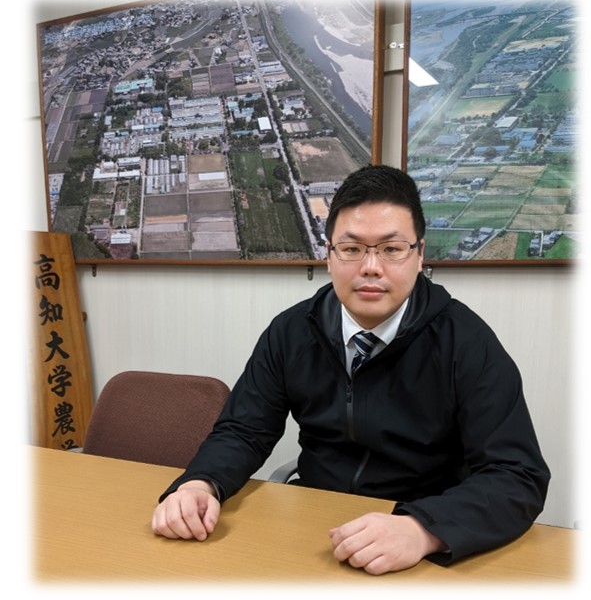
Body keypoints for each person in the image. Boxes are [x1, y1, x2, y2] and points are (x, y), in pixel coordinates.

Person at [151, 164, 550, 575]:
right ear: (329, 255)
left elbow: (517, 475)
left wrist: (422, 530)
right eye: (352, 248)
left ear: (419, 255)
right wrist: (201, 483)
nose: (371, 267)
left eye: (392, 249)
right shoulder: (292, 331)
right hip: (317, 525)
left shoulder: (464, 340)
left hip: (420, 530)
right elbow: (243, 430)